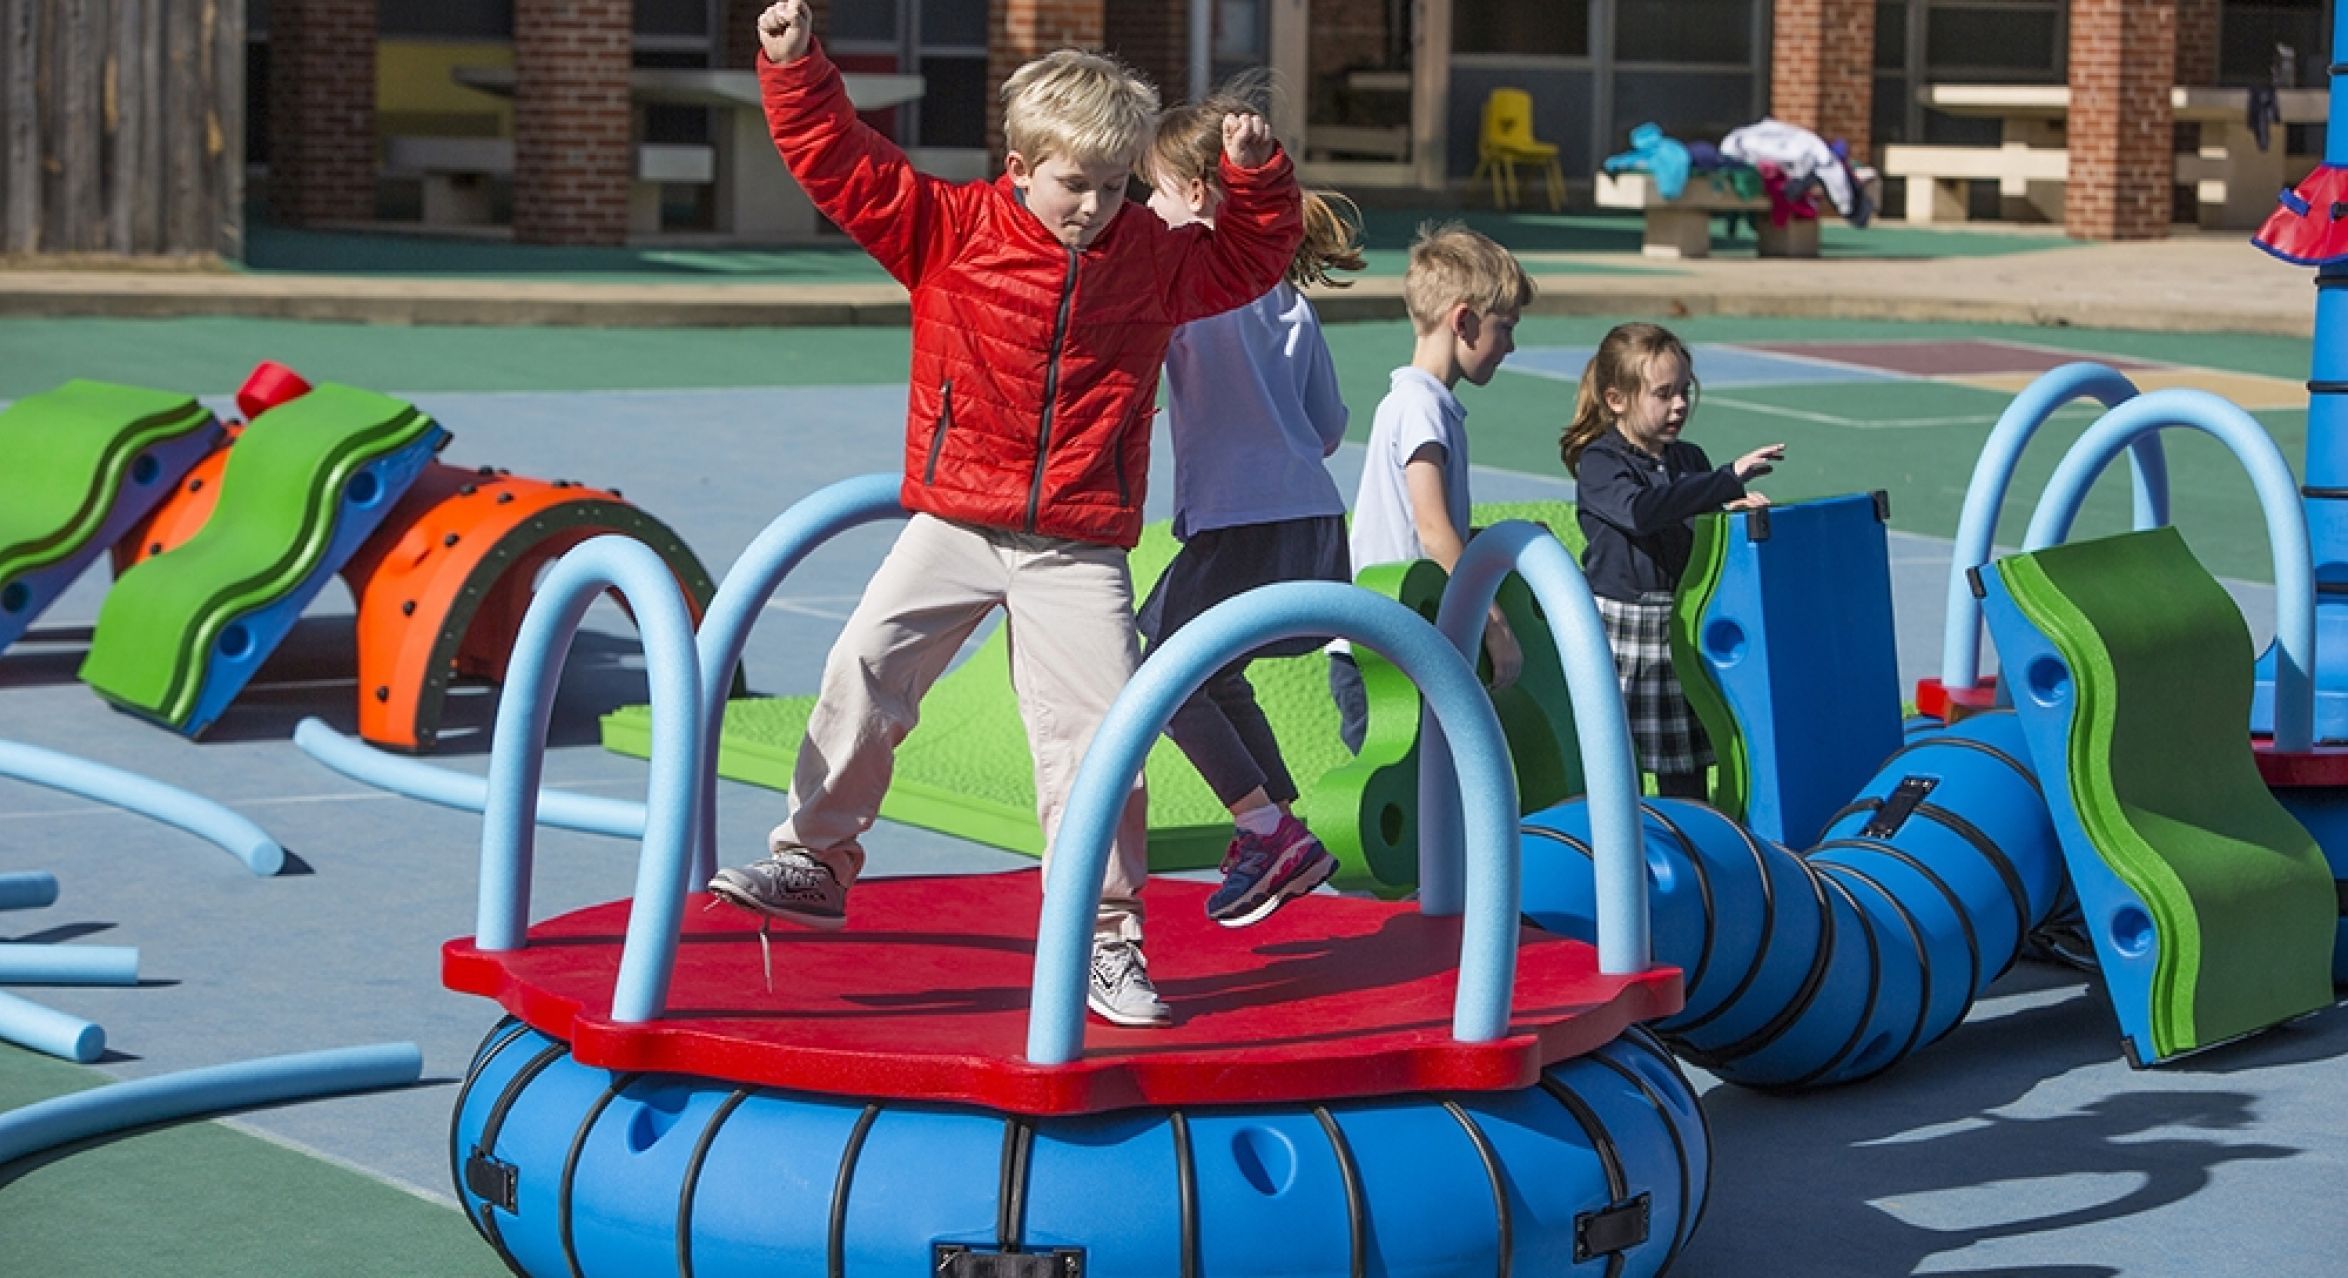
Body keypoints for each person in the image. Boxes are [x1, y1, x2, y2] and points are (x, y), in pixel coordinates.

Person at [708, 0, 1303, 1029]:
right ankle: (814, 859)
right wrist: (794, 62)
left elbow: (1250, 260)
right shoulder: (945, 229)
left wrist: (1253, 179)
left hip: (1075, 547)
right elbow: (840, 163)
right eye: (1076, 184)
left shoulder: (1150, 261)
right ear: (1019, 163)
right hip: (954, 524)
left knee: (1094, 741)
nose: (1094, 207)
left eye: (1116, 188)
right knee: (865, 669)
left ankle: (1103, 940)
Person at [1138, 95, 1365, 926]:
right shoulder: (1286, 298)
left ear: (1199, 196)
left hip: (1238, 518)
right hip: (1310, 518)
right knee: (1213, 666)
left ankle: (1265, 825)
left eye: (1155, 192)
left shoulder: (1186, 292)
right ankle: (1278, 821)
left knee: (1156, 670)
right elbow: (1330, 427)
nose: (1147, 209)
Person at [1331, 222, 1534, 754]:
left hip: (1396, 639)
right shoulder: (1422, 407)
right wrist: (1494, 624)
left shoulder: (1425, 404)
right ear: (1463, 320)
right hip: (1385, 652)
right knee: (1411, 803)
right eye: (1504, 328)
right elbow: (1433, 529)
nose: (1509, 346)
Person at [1560, 322, 1783, 800]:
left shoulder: (1689, 459)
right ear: (1616, 399)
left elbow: (1686, 516)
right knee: (1615, 764)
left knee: (1685, 767)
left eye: (1684, 390)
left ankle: (1689, 853)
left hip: (1679, 623)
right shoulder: (1600, 462)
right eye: (1663, 393)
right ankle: (1619, 854)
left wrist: (1726, 514)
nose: (1679, 404)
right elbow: (1642, 512)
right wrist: (1726, 481)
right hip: (1623, 630)